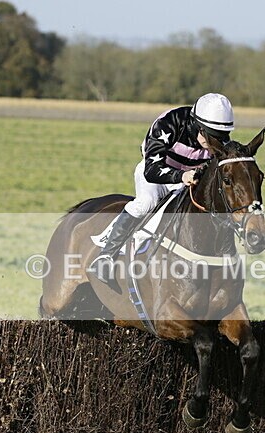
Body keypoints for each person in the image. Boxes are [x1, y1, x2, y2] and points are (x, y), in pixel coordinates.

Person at [88, 93, 235, 289]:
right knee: (146, 203)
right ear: (198, 126)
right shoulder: (170, 122)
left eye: (221, 137)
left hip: (189, 179)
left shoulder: (218, 137)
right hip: (156, 173)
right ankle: (105, 256)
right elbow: (151, 169)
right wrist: (181, 176)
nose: (217, 143)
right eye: (212, 136)